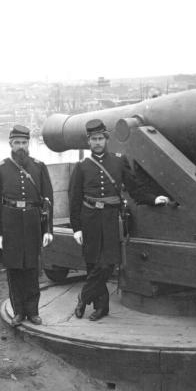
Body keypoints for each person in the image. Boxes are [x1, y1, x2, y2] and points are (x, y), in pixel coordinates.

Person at [68, 119, 169, 321]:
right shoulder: (81, 167)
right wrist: (76, 228)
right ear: (89, 142)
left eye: (100, 138)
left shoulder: (118, 161)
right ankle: (101, 308)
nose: (97, 142)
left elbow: (135, 188)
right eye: (93, 139)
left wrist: (153, 198)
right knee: (93, 264)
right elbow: (74, 198)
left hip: (110, 218)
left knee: (108, 265)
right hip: (90, 218)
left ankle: (83, 297)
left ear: (106, 139)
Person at [0, 125, 54, 327]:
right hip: (10, 224)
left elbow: (48, 200)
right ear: (10, 144)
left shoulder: (39, 166)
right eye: (17, 143)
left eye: (24, 143)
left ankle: (33, 311)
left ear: (29, 143)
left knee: (32, 269)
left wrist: (47, 229)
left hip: (33, 223)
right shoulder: (0, 168)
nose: (21, 147)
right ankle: (18, 312)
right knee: (14, 271)